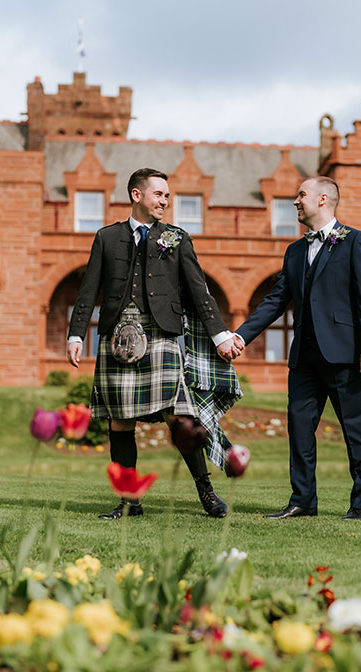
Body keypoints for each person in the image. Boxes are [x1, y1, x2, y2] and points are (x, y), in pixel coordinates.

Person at [67, 168, 243, 520]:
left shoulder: (176, 238)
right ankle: (128, 500)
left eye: (167, 196)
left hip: (161, 333)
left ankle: (206, 493)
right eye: (159, 194)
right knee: (119, 421)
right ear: (136, 195)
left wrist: (221, 335)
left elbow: (199, 290)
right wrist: (76, 334)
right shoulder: (106, 237)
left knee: (180, 417)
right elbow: (88, 290)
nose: (165, 201)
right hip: (117, 335)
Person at [234, 177, 361, 521]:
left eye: (301, 195)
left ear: (323, 198)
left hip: (344, 356)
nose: (295, 201)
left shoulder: (355, 241)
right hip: (304, 358)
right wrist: (241, 335)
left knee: (355, 429)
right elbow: (275, 301)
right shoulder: (295, 251)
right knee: (299, 429)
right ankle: (303, 500)